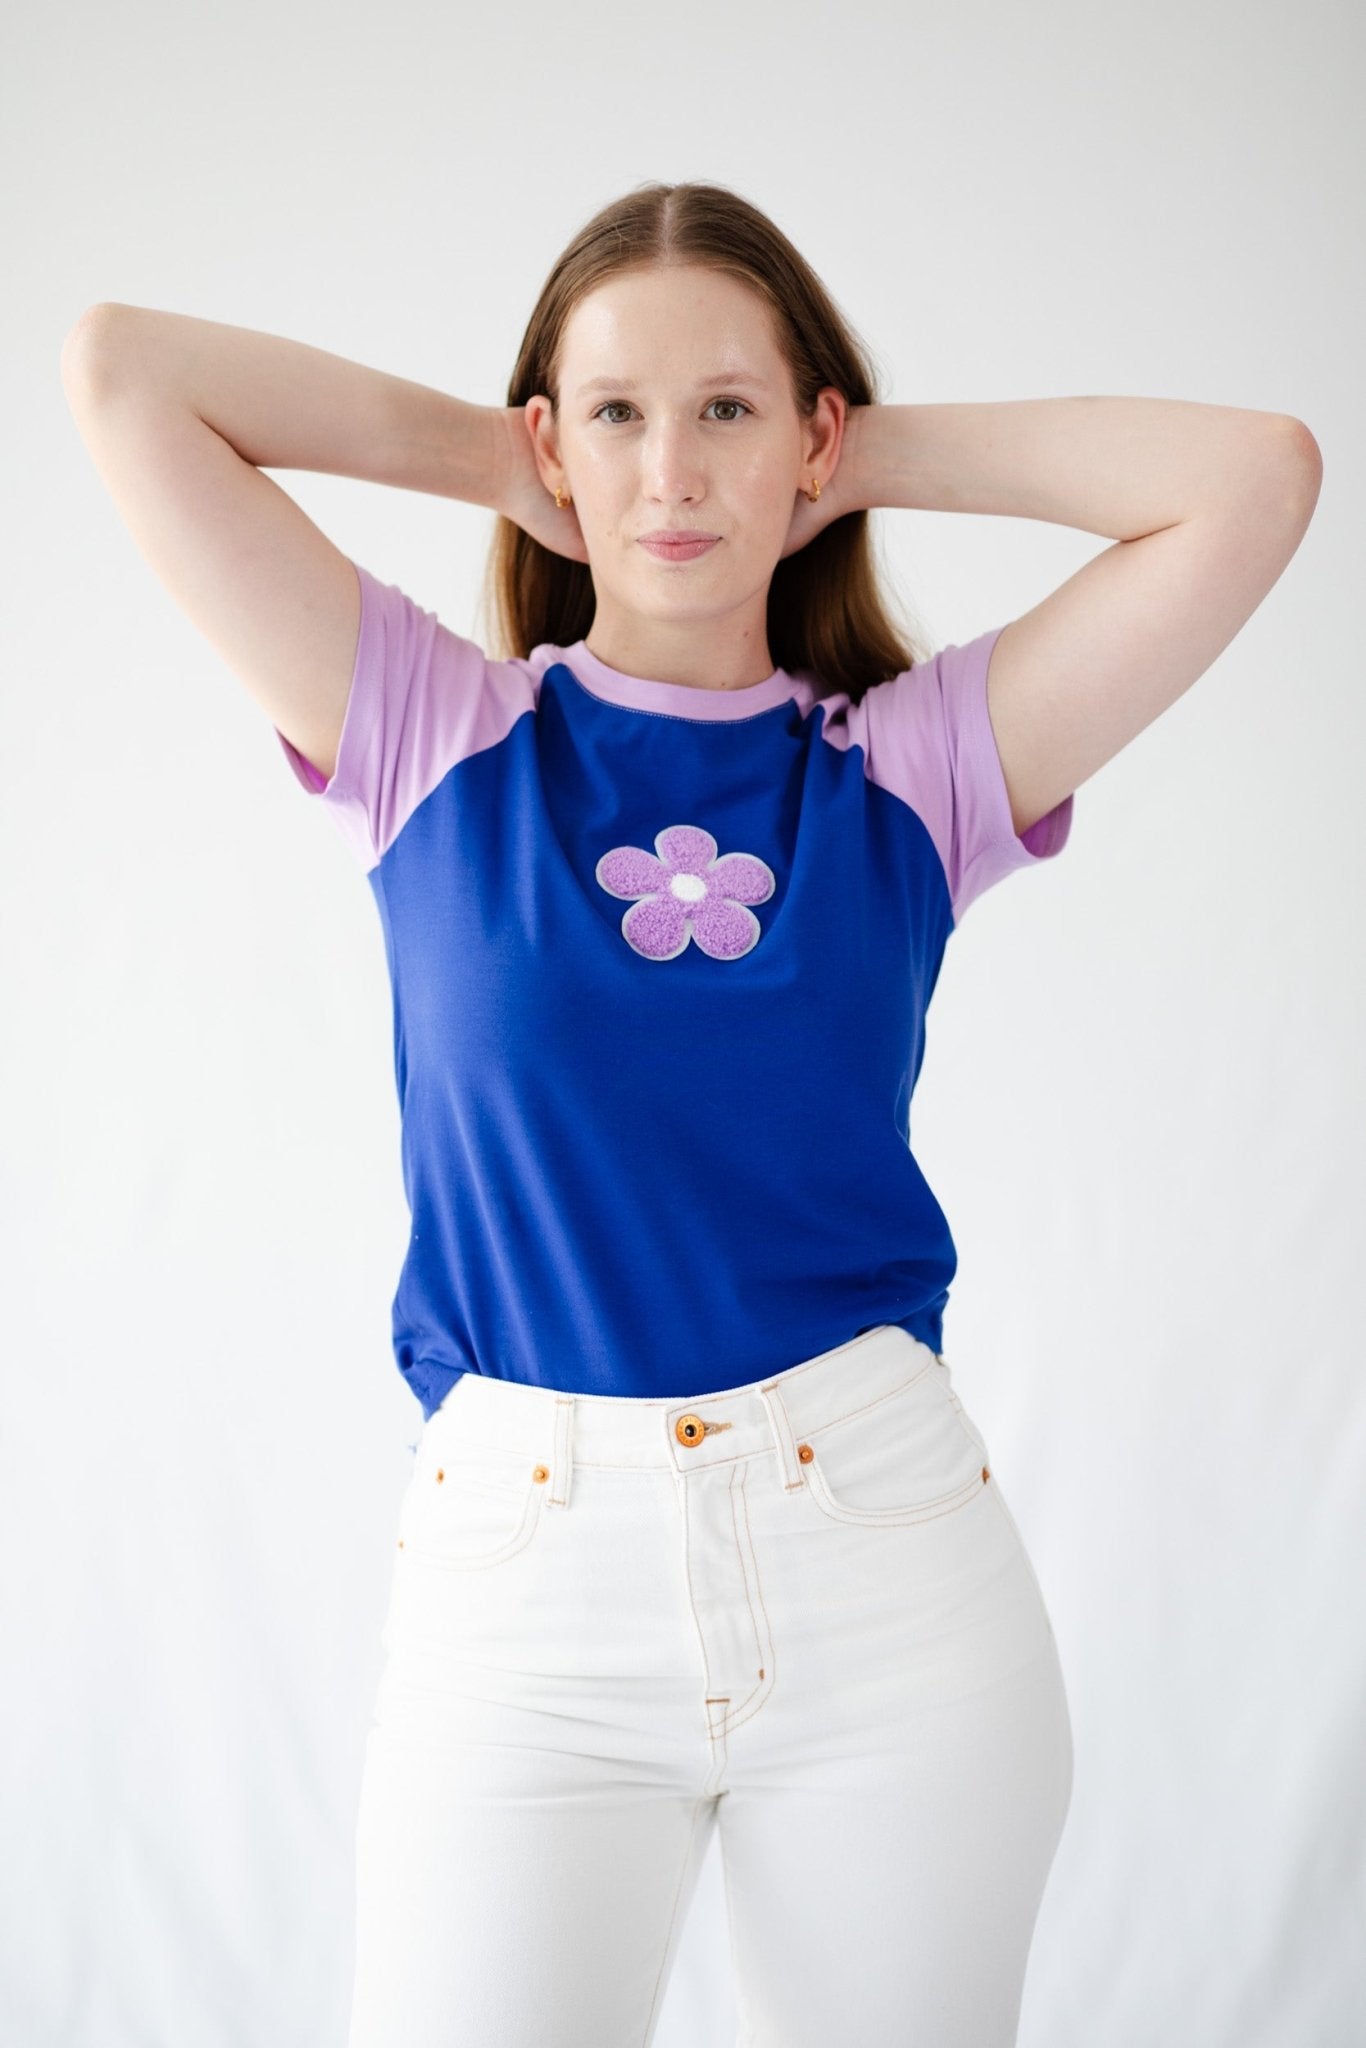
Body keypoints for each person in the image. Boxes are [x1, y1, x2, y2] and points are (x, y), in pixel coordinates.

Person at [61, 179, 1321, 2048]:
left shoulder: (908, 773)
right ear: (552, 442)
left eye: (729, 410)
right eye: (619, 414)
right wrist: (501, 458)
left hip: (884, 1569)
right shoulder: (429, 735)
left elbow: (1256, 475)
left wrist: (857, 448)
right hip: (524, 1595)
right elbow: (123, 376)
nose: (671, 472)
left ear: (805, 439)